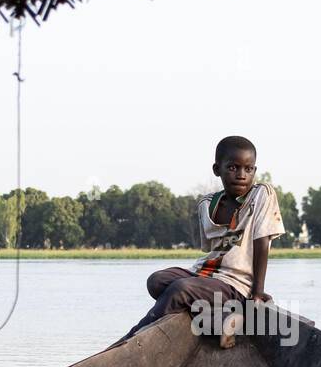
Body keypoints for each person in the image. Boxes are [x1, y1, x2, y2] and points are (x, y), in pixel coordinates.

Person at [118, 135, 285, 344]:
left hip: (236, 286)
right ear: (217, 169)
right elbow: (209, 249)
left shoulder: (262, 195)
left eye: (248, 169)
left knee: (181, 290)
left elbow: (263, 242)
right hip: (204, 276)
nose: (242, 175)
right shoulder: (207, 204)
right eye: (233, 168)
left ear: (254, 170)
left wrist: (258, 292)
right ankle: (219, 319)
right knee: (156, 281)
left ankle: (134, 335)